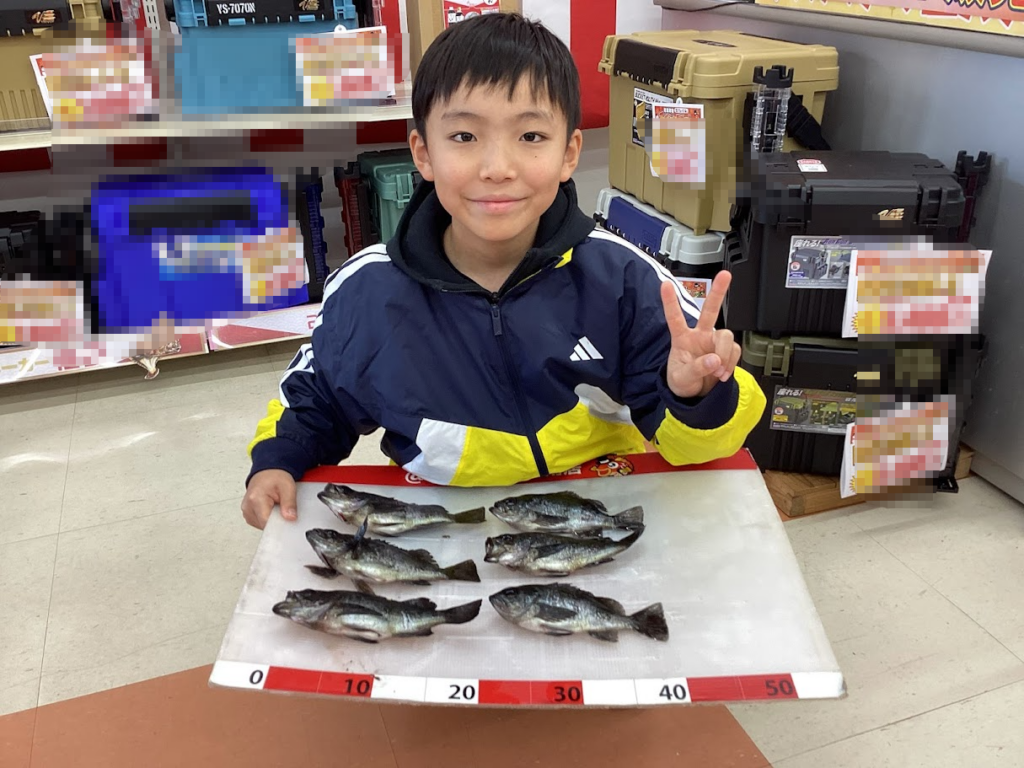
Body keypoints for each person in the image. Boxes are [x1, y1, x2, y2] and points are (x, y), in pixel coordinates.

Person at [241, 13, 766, 529]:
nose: (497, 168)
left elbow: (695, 447)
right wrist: (278, 460)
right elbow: (317, 398)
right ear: (423, 153)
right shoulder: (370, 291)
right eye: (464, 136)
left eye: (531, 136)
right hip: (445, 521)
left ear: (569, 152)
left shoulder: (623, 278)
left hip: (597, 509)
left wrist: (697, 396)